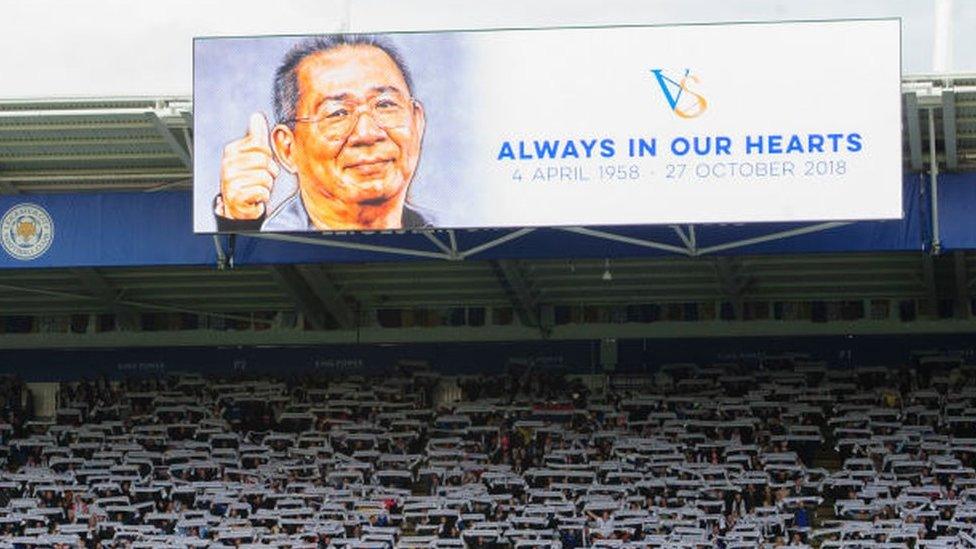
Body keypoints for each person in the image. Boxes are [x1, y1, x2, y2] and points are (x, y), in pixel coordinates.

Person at [214, 34, 429, 231]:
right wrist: (238, 223)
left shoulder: (442, 233)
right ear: (287, 148)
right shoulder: (273, 242)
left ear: (417, 123)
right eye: (338, 113)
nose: (367, 133)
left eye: (385, 105)